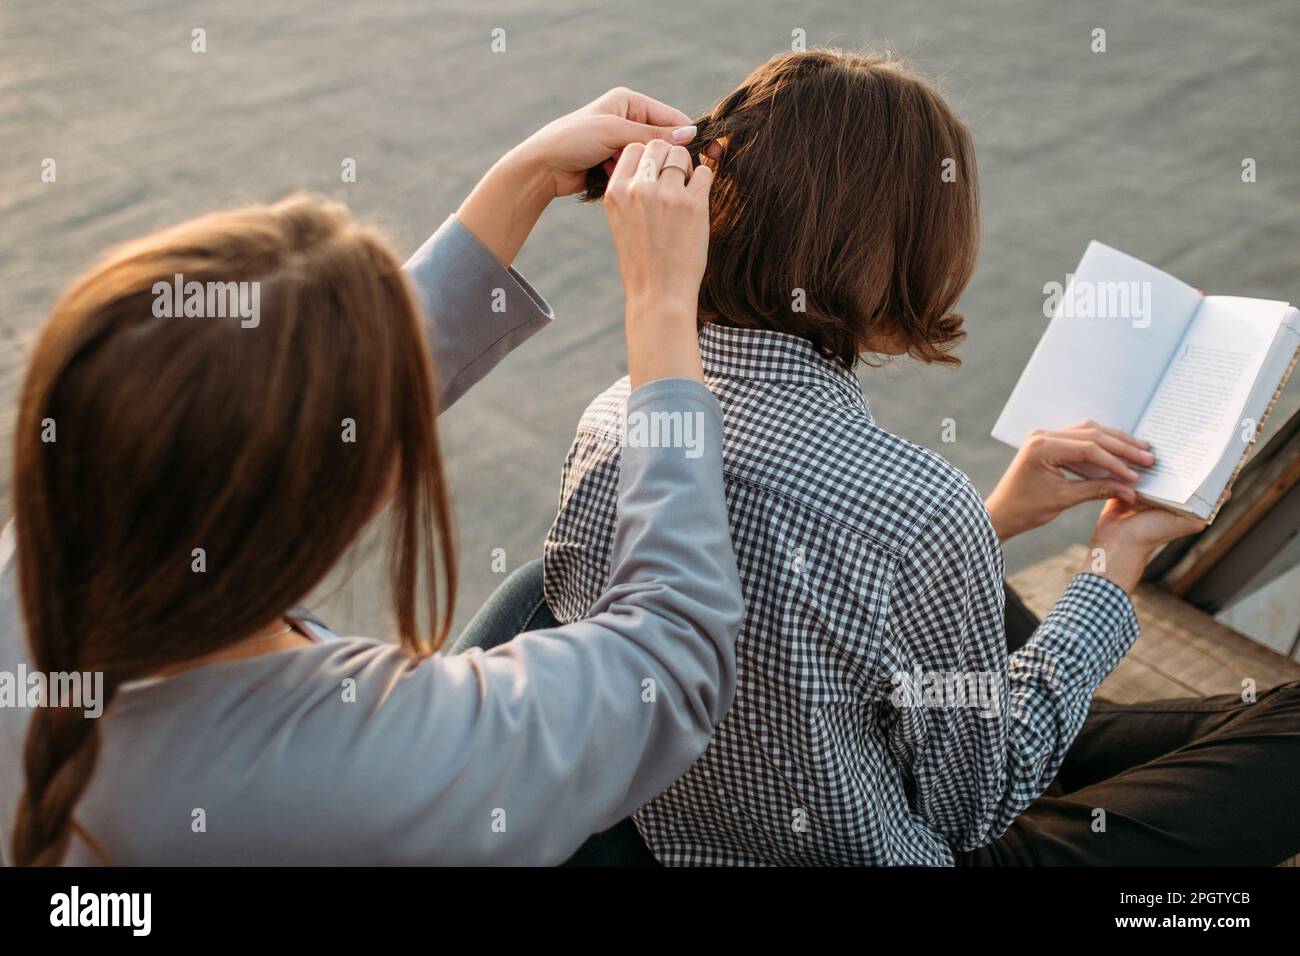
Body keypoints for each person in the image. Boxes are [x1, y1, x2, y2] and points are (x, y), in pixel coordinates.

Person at [536, 50, 1300, 865]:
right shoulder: (916, 503)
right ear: (908, 253)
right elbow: (976, 806)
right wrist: (1113, 561)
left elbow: (790, 585)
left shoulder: (613, 420)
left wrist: (990, 517)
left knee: (985, 625)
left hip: (689, 834)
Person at [0, 88, 745, 866]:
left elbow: (272, 408)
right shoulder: (361, 766)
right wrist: (661, 307)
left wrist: (522, 179)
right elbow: (671, 654)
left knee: (535, 595)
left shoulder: (57, 546)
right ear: (349, 491)